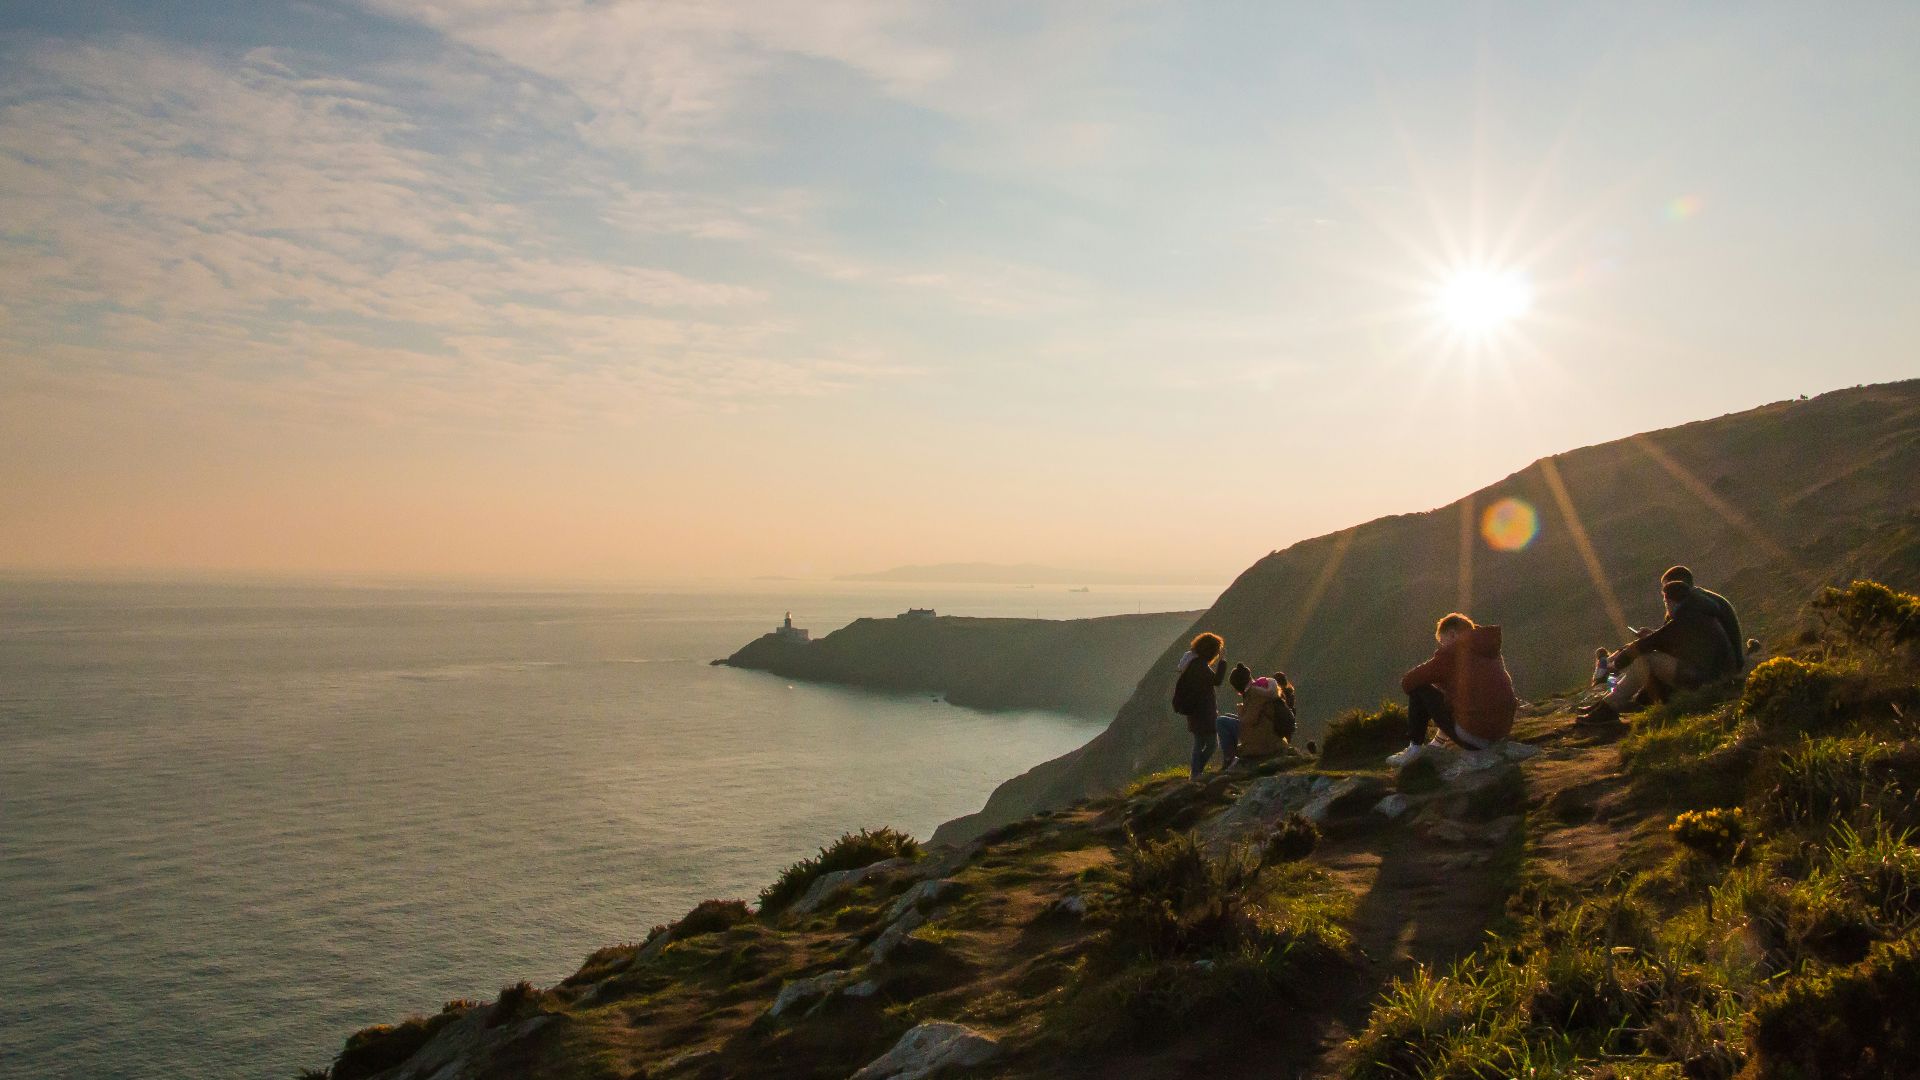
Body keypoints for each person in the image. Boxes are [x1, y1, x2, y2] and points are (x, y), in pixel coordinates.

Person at [1578, 577, 1737, 727]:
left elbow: (1651, 642)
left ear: (1670, 600)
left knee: (1647, 660)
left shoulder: (1688, 617)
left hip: (1706, 680)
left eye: (1665, 602)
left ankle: (1608, 708)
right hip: (1711, 675)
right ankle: (1607, 704)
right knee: (1649, 658)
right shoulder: (1697, 612)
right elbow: (1671, 641)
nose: (1666, 606)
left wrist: (1618, 662)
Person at [1389, 612, 1518, 766]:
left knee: (1420, 690)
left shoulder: (1451, 653)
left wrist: (1440, 683)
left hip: (1476, 738)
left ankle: (1414, 749)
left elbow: (1408, 682)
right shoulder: (1488, 649)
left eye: (1442, 642)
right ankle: (1438, 742)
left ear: (1452, 634)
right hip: (1501, 732)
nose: (1442, 646)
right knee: (1455, 696)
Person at [1662, 565, 1744, 670]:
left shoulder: (1694, 605)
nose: (1665, 595)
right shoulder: (1701, 599)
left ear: (1676, 586)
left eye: (1666, 589)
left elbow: (1677, 638)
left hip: (1721, 668)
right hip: (1729, 662)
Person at [1171, 632, 1228, 780]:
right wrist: (1223, 662)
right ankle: (1196, 772)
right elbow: (1217, 681)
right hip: (1204, 711)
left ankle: (1195, 773)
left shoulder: (1192, 663)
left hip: (1195, 710)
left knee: (1199, 742)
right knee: (1211, 744)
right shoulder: (1199, 665)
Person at [1227, 665, 1299, 763]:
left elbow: (1250, 720)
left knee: (1222, 722)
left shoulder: (1255, 693)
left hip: (1267, 740)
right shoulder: (1265, 687)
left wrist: (1241, 711)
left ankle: (1229, 760)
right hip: (1278, 732)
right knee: (1227, 719)